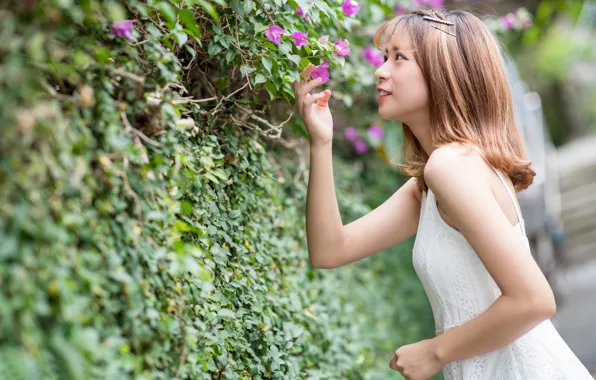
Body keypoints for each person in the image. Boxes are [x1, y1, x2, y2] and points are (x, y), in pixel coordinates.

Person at [291, 8, 593, 380]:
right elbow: (329, 250)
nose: (380, 71)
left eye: (399, 58)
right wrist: (320, 143)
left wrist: (435, 352)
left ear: (443, 73)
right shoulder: (434, 180)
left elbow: (534, 300)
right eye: (385, 57)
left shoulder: (450, 167)